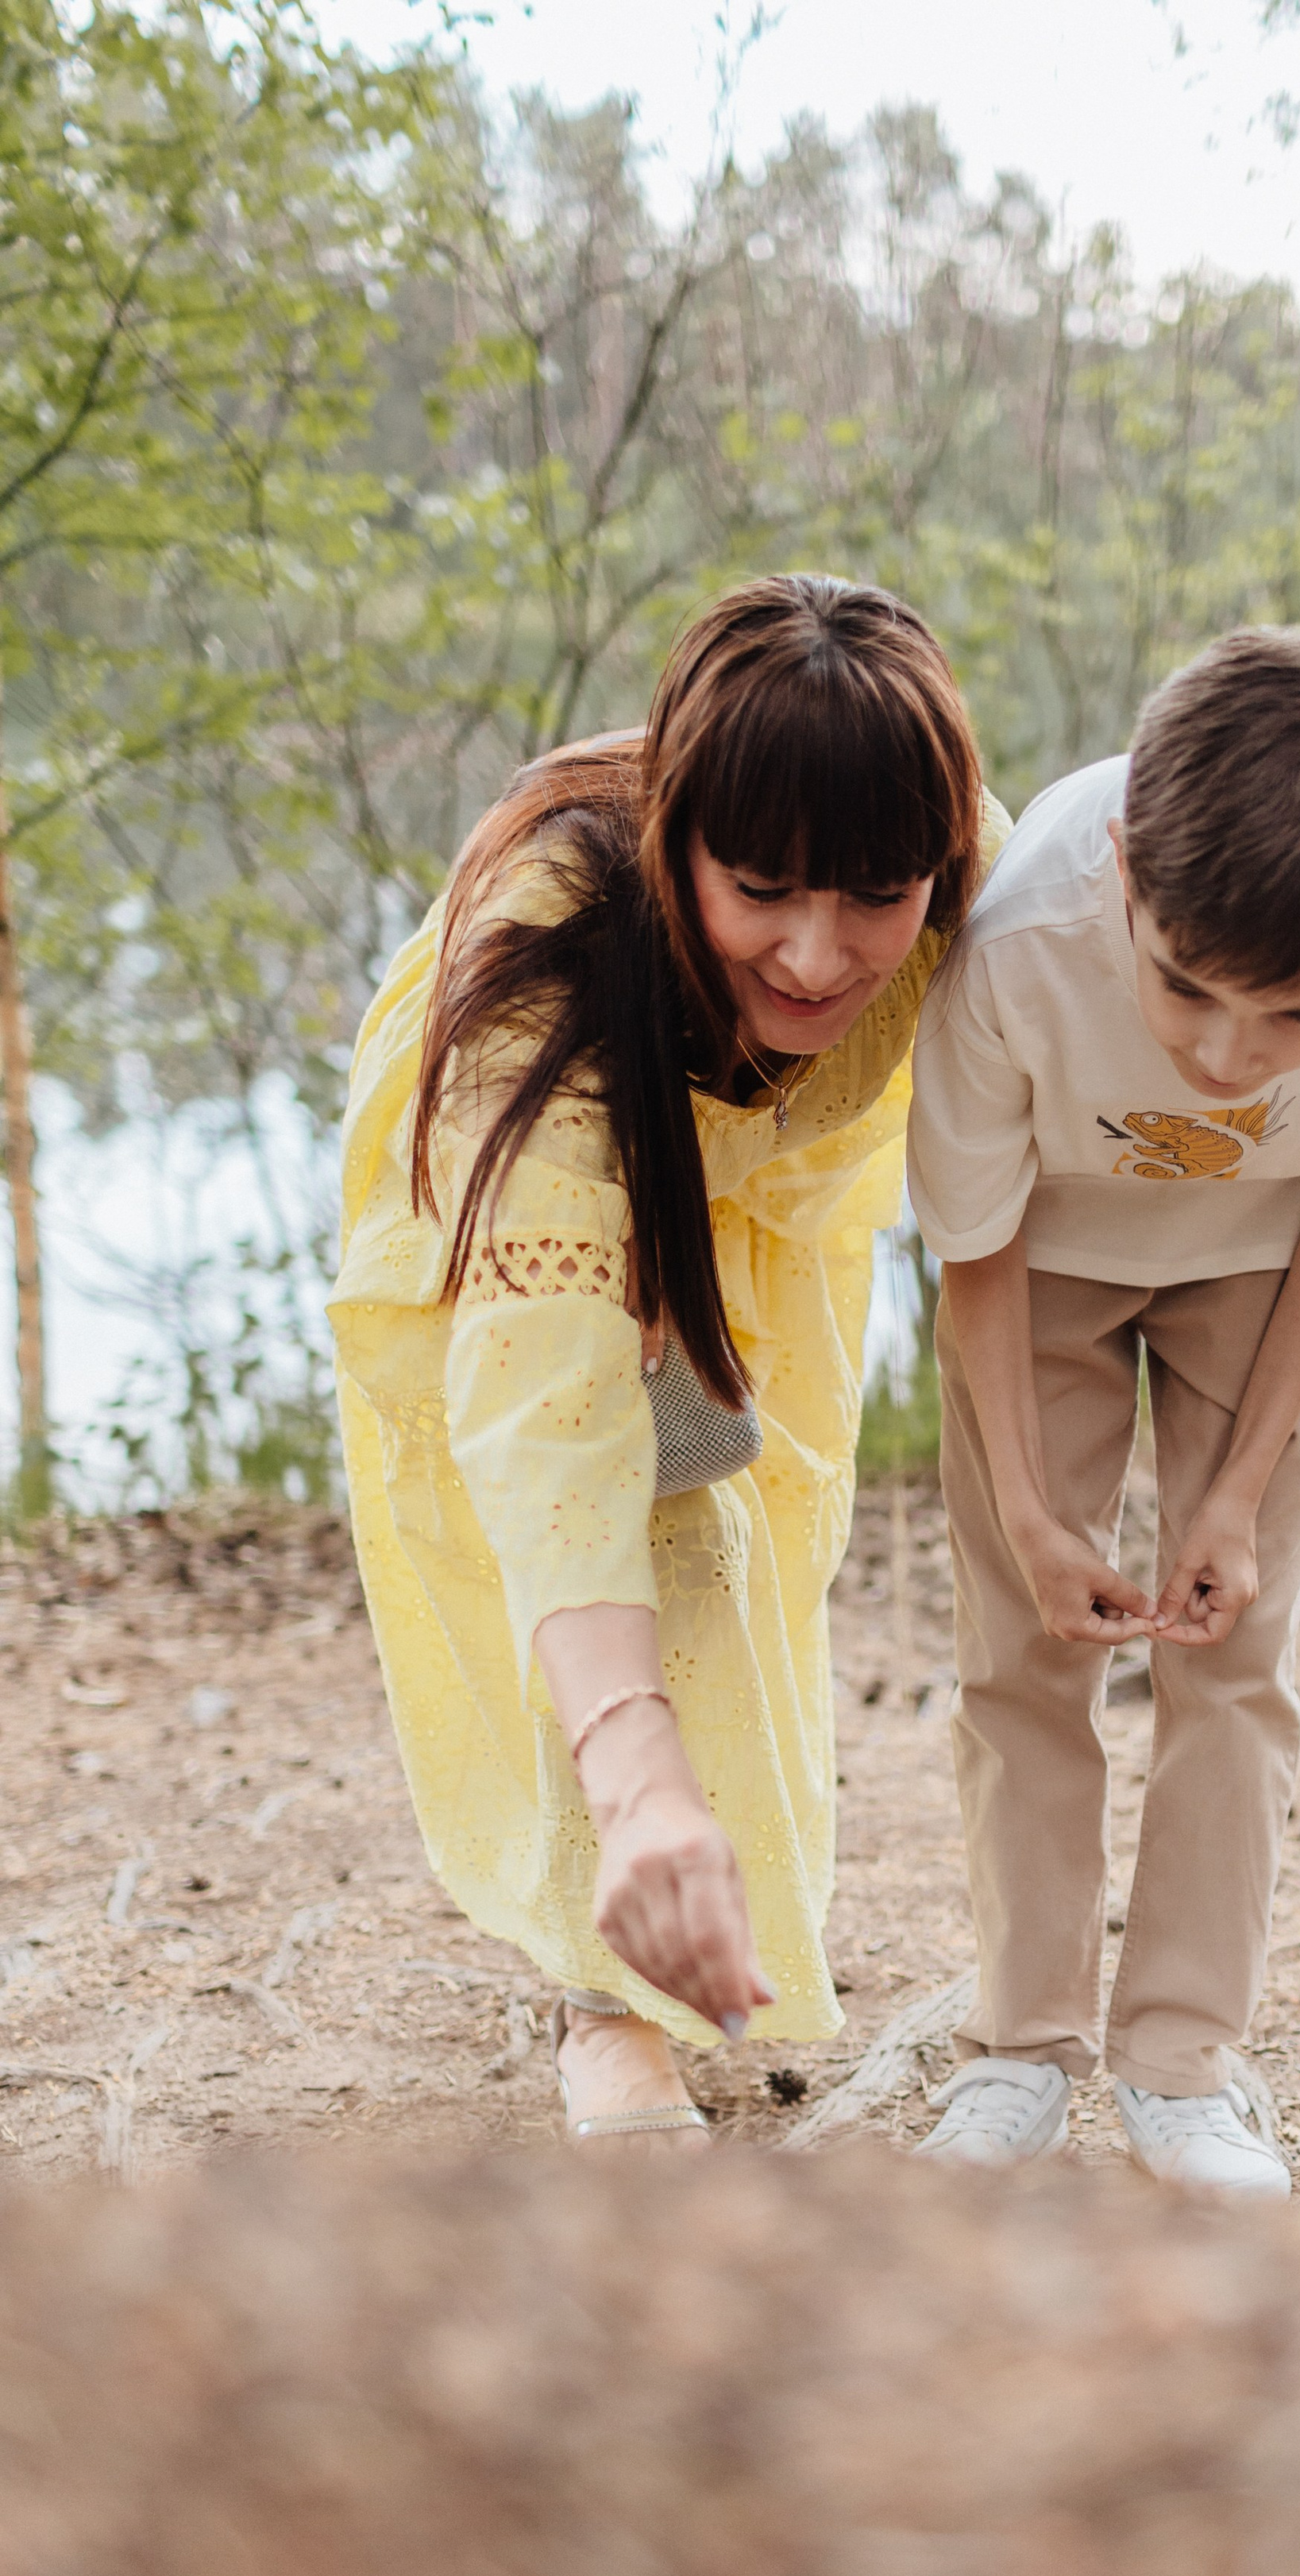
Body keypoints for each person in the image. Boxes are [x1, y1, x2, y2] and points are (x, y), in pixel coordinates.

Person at [330, 576, 1001, 2142]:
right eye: (759, 887)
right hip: (547, 1146)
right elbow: (547, 1403)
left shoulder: (988, 878)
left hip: (768, 1187)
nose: (822, 957)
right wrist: (640, 1784)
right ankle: (606, 2002)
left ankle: (693, 1885)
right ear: (677, 840)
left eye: (874, 897)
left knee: (765, 1512)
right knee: (637, 1516)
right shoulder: (541, 963)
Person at [905, 624, 1300, 2192]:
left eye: (1296, 1016)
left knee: (1230, 1653)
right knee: (1021, 1650)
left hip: (1263, 1260)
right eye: (1180, 989)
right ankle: (1022, 2045)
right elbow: (970, 1236)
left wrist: (1230, 1494)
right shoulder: (1020, 930)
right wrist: (1030, 1511)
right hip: (1038, 1260)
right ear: (1117, 866)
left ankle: (1178, 2060)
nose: (1225, 1057)